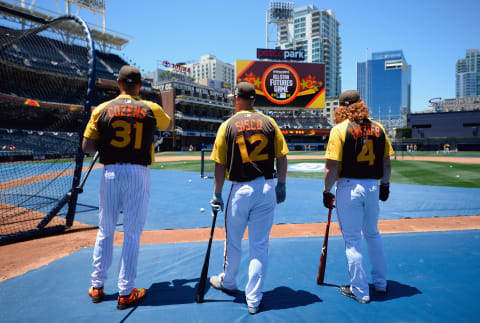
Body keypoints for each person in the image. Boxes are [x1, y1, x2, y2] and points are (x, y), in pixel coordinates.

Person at [82, 65, 170, 310]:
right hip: (137, 172)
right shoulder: (150, 108)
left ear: (118, 83)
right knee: (131, 232)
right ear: (140, 86)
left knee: (105, 228)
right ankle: (125, 291)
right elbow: (168, 124)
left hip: (110, 171)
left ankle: (97, 285)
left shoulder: (101, 109)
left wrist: (106, 139)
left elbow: (87, 147)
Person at [208, 82, 289, 315]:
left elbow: (219, 164)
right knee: (259, 246)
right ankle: (253, 299)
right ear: (253, 100)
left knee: (233, 242)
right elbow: (282, 157)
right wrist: (282, 184)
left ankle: (230, 282)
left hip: (240, 190)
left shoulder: (228, 125)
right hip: (266, 187)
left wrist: (217, 193)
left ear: (237, 99)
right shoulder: (269, 122)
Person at [323, 90, 394, 304]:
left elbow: (331, 166)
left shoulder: (340, 129)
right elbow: (387, 162)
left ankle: (360, 291)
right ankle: (381, 284)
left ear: (342, 108)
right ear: (361, 103)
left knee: (353, 240)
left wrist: (326, 191)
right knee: (373, 234)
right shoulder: (379, 128)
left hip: (349, 186)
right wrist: (385, 185)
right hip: (373, 186)